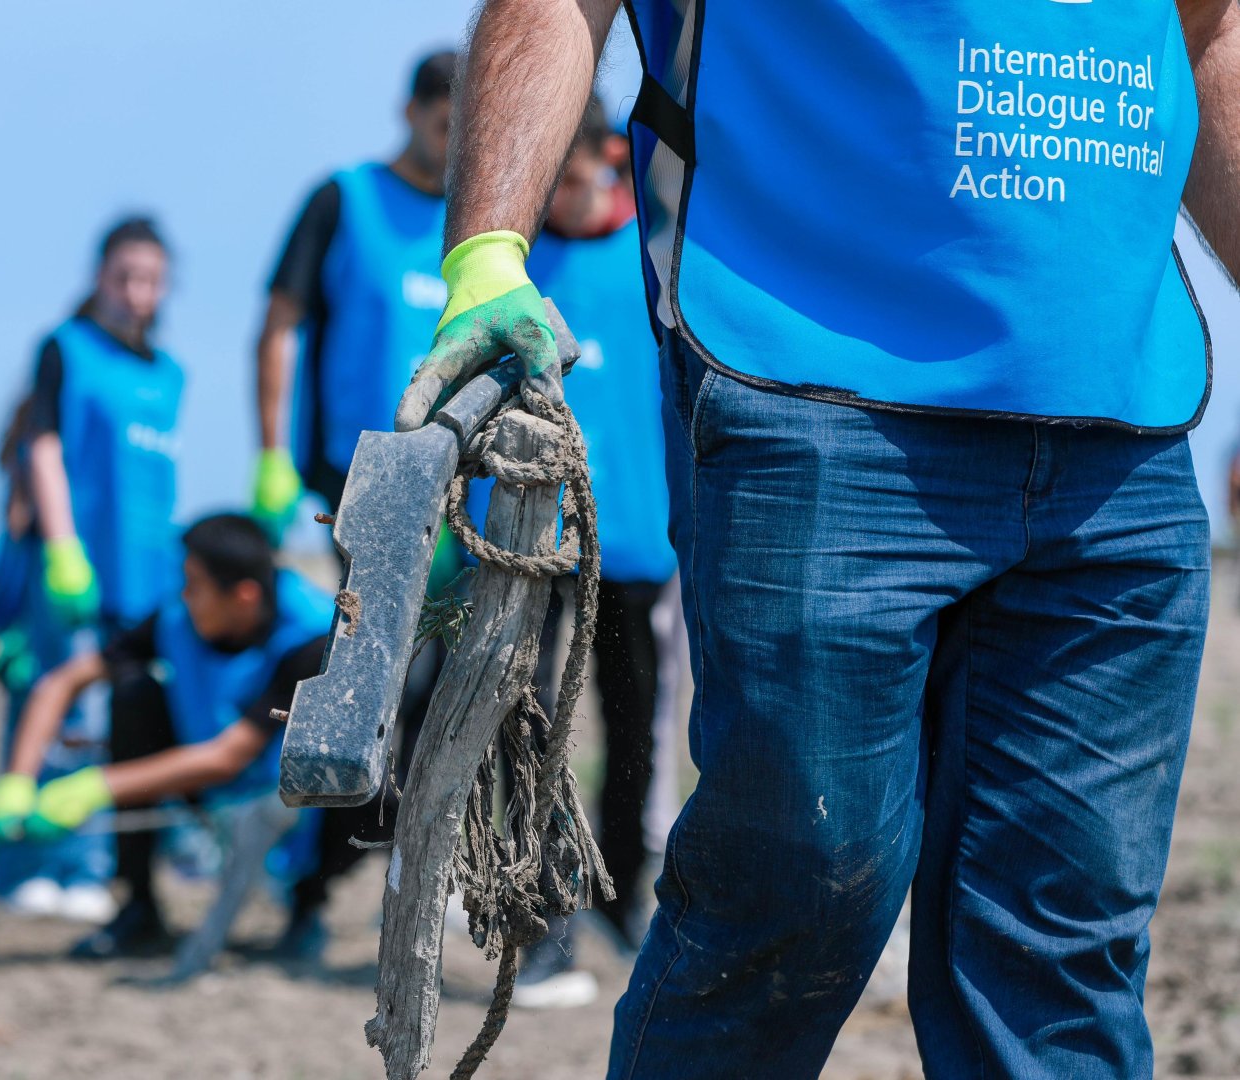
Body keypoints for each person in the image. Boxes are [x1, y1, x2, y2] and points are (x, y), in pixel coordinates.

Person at [395, 2, 1240, 1075]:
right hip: (808, 379)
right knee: (794, 894)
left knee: (1060, 948)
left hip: (1117, 419)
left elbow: (1207, 30)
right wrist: (484, 253)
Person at [479, 96, 676, 1012]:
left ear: (606, 157)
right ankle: (541, 920)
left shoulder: (656, 254)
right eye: (544, 175)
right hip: (530, 547)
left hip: (636, 545)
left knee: (632, 738)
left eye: (576, 170)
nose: (561, 191)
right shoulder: (519, 277)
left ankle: (622, 900)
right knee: (531, 739)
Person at [0, 514, 334, 974]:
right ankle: (139, 907)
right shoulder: (176, 618)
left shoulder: (313, 636)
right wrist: (17, 782)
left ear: (244, 596)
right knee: (132, 694)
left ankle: (307, 908)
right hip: (205, 779)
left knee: (370, 793)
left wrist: (93, 787)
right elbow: (64, 683)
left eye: (194, 584)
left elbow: (228, 757)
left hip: (290, 797)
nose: (185, 596)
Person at [0, 215, 186, 925]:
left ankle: (90, 868)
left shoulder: (169, 375)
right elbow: (40, 447)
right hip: (72, 566)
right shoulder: (65, 349)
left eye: (151, 279)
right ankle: (27, 868)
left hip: (144, 576)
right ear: (99, 276)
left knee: (112, 725)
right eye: (124, 276)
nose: (136, 292)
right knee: (55, 710)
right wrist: (62, 546)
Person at [249, 48, 455, 534]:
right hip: (349, 466)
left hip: (447, 469)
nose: (456, 144)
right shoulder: (342, 199)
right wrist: (270, 454)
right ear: (411, 112)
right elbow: (278, 327)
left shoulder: (474, 225)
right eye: (445, 126)